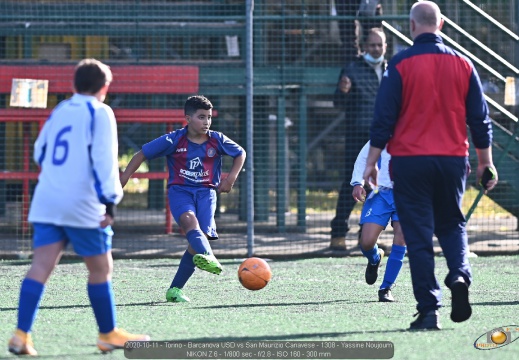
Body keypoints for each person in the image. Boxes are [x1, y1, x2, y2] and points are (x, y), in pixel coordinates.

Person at [363, 1, 498, 330]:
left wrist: (371, 162)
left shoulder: (399, 65)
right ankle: (460, 276)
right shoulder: (463, 64)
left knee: (419, 235)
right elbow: (480, 120)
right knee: (452, 224)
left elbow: (383, 119)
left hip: (409, 163)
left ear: (411, 26)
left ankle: (429, 310)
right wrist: (485, 162)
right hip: (452, 161)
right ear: (441, 25)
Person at [7, 59, 150, 356]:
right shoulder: (100, 112)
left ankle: (21, 334)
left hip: (47, 198)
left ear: (73, 85)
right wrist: (110, 203)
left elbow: (39, 152)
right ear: (105, 88)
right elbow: (104, 160)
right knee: (101, 269)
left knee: (41, 266)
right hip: (82, 203)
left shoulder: (60, 110)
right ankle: (107, 334)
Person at [120, 95, 246, 303]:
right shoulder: (174, 139)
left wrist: (230, 179)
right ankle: (209, 255)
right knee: (189, 222)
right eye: (201, 117)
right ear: (187, 118)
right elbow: (140, 155)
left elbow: (240, 153)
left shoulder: (217, 139)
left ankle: (175, 290)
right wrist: (122, 180)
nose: (206, 122)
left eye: (209, 117)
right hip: (180, 191)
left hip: (207, 193)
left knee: (198, 239)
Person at [330, 27, 387, 250]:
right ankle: (338, 233)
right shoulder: (352, 69)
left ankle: (368, 235)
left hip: (382, 138)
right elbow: (338, 103)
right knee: (351, 183)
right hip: (357, 136)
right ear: (365, 46)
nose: (376, 49)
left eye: (380, 45)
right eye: (372, 45)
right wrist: (343, 92)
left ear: (385, 47)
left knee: (378, 186)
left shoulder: (391, 69)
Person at [351, 141, 406, 302]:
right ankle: (375, 258)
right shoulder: (385, 130)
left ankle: (386, 287)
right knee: (366, 242)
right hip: (381, 192)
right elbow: (364, 156)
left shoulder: (421, 130)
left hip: (409, 194)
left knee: (402, 238)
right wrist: (357, 182)